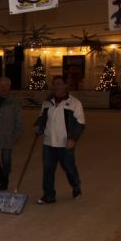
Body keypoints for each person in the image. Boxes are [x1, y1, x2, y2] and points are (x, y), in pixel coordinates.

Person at [33, 75, 85, 204]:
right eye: (54, 84)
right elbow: (42, 117)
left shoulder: (74, 103)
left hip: (65, 143)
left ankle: (75, 186)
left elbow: (80, 123)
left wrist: (73, 139)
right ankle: (49, 195)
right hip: (49, 142)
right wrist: (38, 125)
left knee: (69, 168)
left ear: (65, 86)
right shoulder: (47, 102)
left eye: (59, 84)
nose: (56, 87)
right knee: (48, 169)